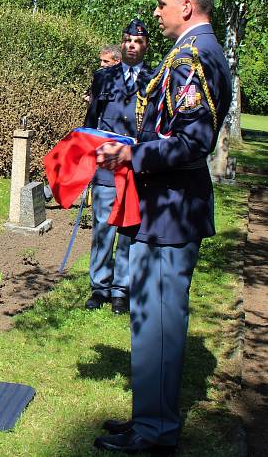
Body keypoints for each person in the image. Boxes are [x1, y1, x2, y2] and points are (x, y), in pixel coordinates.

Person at [92, 0, 231, 453]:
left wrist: (133, 154)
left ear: (186, 5)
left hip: (174, 212)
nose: (157, 12)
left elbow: (194, 141)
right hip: (162, 209)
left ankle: (158, 431)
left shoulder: (197, 57)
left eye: (162, 3)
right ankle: (147, 419)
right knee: (147, 318)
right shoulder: (188, 53)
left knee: (164, 325)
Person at [83, 19, 151, 314]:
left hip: (135, 167)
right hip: (106, 167)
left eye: (137, 41)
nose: (131, 45)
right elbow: (91, 120)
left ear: (145, 46)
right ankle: (100, 286)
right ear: (121, 44)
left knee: (128, 231)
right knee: (102, 228)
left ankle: (121, 289)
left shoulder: (154, 78)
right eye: (126, 40)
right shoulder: (103, 77)